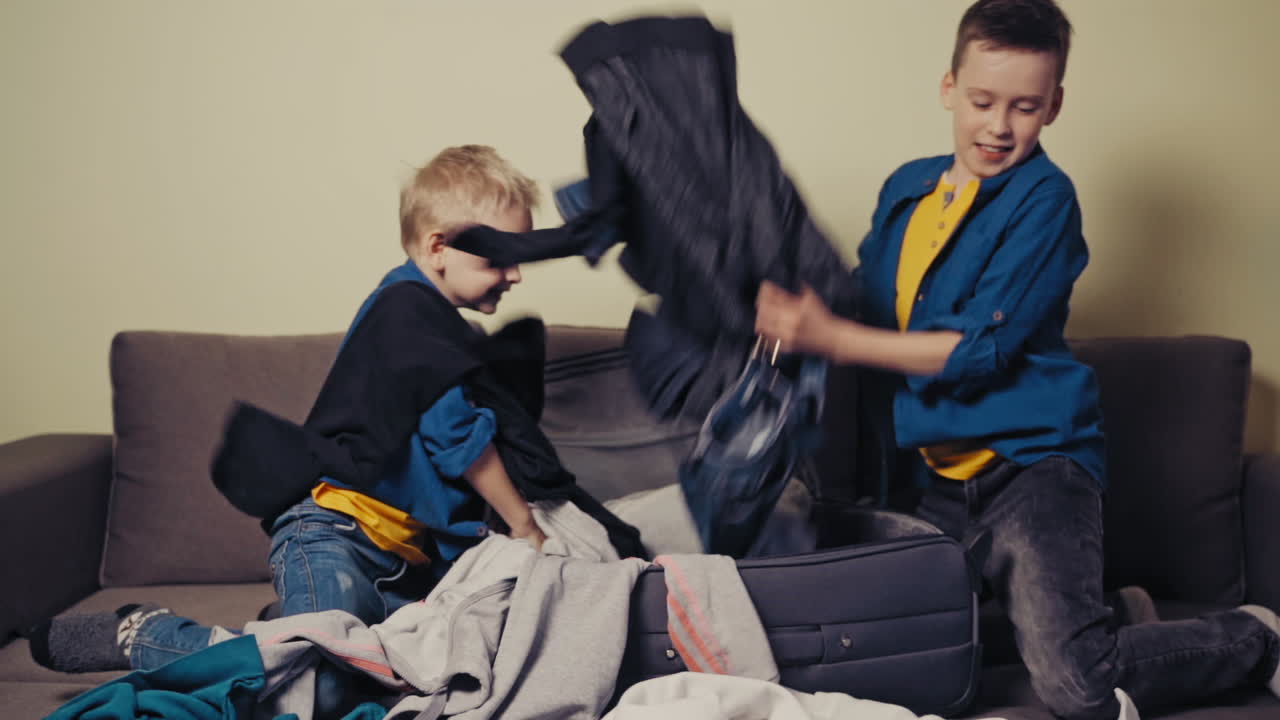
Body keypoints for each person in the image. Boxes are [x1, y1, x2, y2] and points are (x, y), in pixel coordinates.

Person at [754, 2, 1280, 719]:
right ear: (949, 88)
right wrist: (792, 312)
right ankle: (1115, 613)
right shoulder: (907, 188)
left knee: (1078, 689)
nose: (999, 126)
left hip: (1033, 474)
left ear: (1054, 106)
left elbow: (978, 352)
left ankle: (1257, 639)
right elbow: (864, 303)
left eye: (1025, 107)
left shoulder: (1047, 200)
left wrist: (832, 337)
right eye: (982, 101)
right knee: (898, 650)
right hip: (937, 485)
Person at [30, 145, 642, 684]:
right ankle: (147, 636)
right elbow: (457, 438)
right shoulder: (409, 317)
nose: (513, 273)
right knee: (319, 674)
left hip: (401, 566)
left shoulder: (433, 322)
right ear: (438, 248)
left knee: (407, 666)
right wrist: (526, 528)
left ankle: (277, 631)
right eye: (499, 256)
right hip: (335, 536)